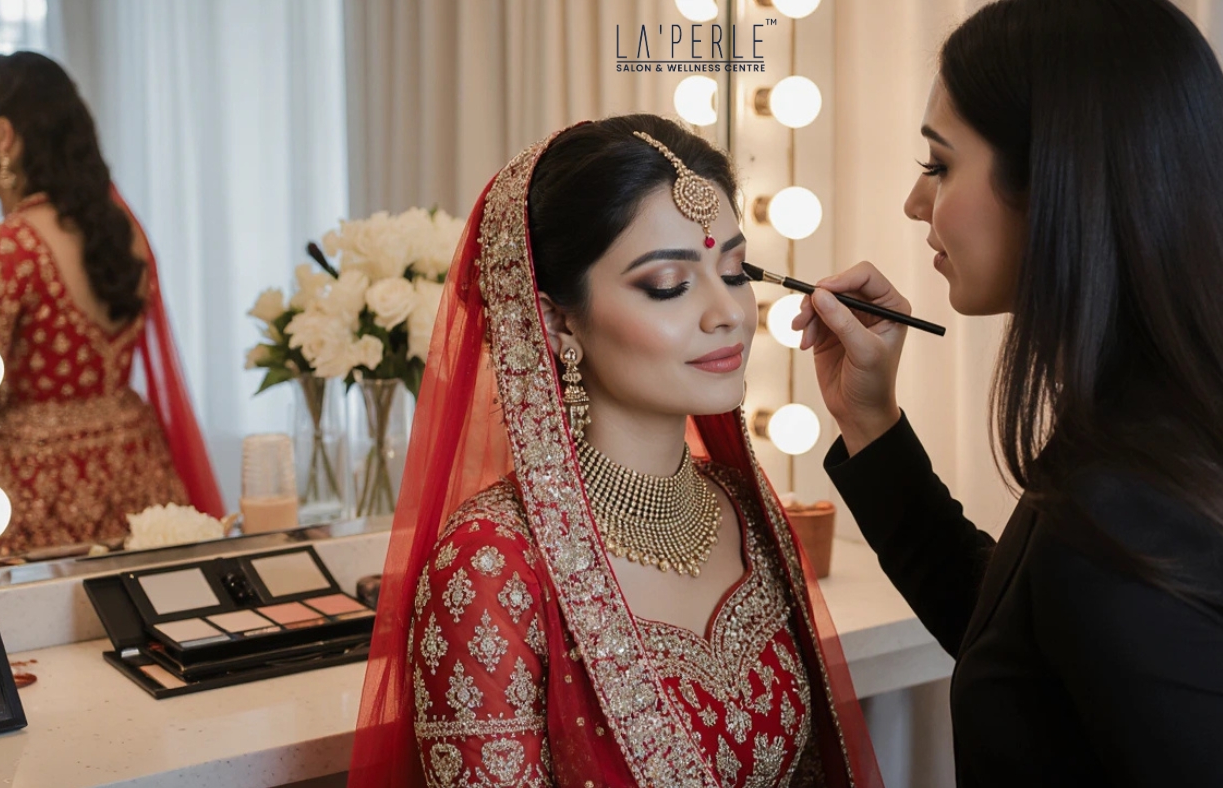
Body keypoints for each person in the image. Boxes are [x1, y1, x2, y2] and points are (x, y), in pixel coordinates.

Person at [792, 1, 1223, 785]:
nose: (916, 202)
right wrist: (870, 422)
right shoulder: (1162, 434)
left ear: (1058, 180)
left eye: (939, 164)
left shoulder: (1137, 503)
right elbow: (1026, 648)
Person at [347, 115, 882, 788]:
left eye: (735, 272)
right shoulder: (491, 566)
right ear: (556, 320)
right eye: (669, 284)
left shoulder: (746, 512)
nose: (728, 314)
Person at [0, 52, 222, 560]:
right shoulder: (123, 229)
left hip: (33, 497)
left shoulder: (8, 249)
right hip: (137, 473)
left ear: (3, 136)